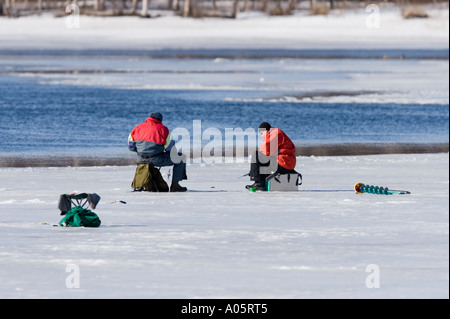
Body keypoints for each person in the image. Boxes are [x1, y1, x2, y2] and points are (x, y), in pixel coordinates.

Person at [128, 112, 188, 192]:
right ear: (160, 120)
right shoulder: (163, 129)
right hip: (156, 159)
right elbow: (168, 148)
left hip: (140, 159)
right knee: (181, 157)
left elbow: (131, 146)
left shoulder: (137, 128)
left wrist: (141, 152)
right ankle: (175, 185)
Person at [247, 122, 297, 191]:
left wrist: (254, 170)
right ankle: (262, 183)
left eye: (261, 133)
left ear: (265, 131)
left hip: (284, 163)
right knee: (261, 161)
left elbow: (267, 151)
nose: (261, 136)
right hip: (286, 162)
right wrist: (255, 170)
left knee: (255, 155)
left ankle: (259, 184)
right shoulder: (275, 133)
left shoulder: (275, 133)